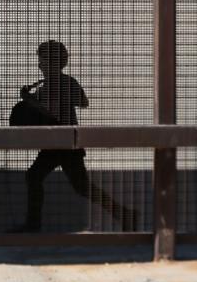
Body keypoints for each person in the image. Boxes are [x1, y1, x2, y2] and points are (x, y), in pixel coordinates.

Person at [13, 40, 136, 232]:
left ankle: (33, 225)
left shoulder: (63, 82)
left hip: (65, 142)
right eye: (40, 61)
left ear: (55, 63)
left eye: (43, 61)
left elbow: (67, 107)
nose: (40, 65)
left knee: (46, 179)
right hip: (58, 143)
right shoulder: (47, 86)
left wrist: (32, 100)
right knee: (77, 186)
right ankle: (124, 214)